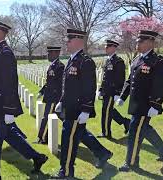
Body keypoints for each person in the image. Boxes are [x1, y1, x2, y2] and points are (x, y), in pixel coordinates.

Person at [0, 18, 48, 180]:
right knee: (10, 136)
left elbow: (10, 83)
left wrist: (9, 110)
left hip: (0, 109)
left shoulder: (5, 53)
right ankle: (38, 157)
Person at [54, 29, 112, 178]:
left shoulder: (85, 62)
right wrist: (61, 101)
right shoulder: (72, 60)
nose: (66, 42)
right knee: (80, 134)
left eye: (69, 39)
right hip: (70, 107)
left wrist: (86, 110)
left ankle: (66, 172)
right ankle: (103, 153)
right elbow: (67, 86)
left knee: (68, 141)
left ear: (78, 41)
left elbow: (89, 87)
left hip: (77, 109)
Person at [116, 30, 163, 172]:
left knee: (134, 134)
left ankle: (131, 163)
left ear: (150, 42)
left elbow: (160, 85)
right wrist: (122, 96)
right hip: (135, 104)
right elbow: (130, 81)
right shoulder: (137, 59)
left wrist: (156, 105)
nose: (137, 43)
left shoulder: (158, 61)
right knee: (144, 130)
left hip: (146, 106)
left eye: (140, 41)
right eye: (137, 41)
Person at [97, 40, 130, 139]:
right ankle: (126, 122)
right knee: (109, 111)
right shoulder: (108, 60)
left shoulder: (118, 61)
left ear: (113, 48)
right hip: (106, 91)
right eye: (105, 47)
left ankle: (106, 133)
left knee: (106, 112)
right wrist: (101, 90)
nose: (105, 48)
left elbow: (120, 78)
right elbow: (105, 77)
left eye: (107, 47)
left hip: (112, 92)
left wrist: (118, 93)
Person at [35, 46, 64, 144]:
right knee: (65, 119)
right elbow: (49, 82)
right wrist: (42, 91)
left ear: (56, 53)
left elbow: (60, 85)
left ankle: (42, 138)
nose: (47, 55)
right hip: (50, 96)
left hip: (54, 98)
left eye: (50, 53)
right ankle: (79, 134)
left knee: (46, 118)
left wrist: (59, 99)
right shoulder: (52, 65)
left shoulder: (59, 66)